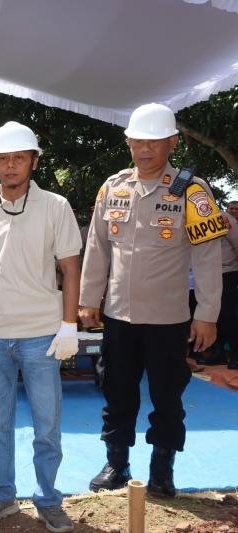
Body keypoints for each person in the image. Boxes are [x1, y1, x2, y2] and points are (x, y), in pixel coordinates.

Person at [80, 103, 225, 498]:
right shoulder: (113, 187)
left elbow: (208, 257)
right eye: (138, 141)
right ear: (128, 142)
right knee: (116, 391)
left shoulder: (192, 192)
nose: (145, 149)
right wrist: (88, 299)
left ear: (172, 143)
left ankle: (162, 468)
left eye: (154, 141)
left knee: (167, 396)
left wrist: (207, 315)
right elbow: (97, 247)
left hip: (168, 319)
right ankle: (116, 463)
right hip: (118, 318)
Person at [0, 121, 80, 532]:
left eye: (19, 158)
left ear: (33, 161)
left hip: (43, 334)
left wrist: (69, 324)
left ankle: (48, 499)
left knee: (47, 425)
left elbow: (70, 266)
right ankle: (2, 496)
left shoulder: (56, 206)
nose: (11, 166)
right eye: (3, 159)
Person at [220, 210, 238, 369]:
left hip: (227, 272)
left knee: (227, 315)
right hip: (204, 275)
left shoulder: (223, 218)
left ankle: (235, 354)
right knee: (215, 317)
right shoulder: (190, 217)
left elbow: (237, 243)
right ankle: (217, 353)